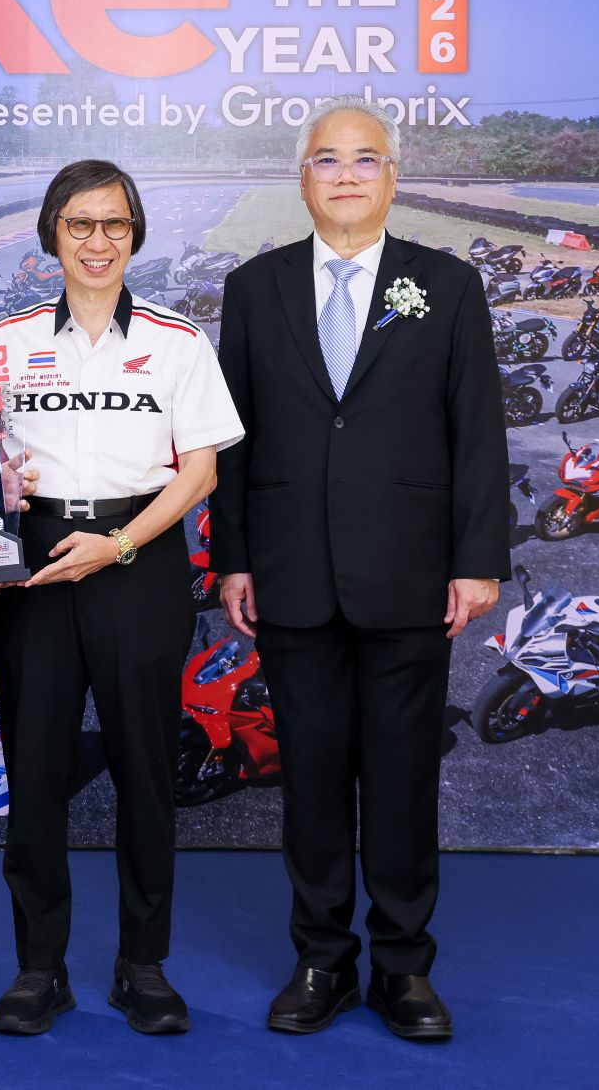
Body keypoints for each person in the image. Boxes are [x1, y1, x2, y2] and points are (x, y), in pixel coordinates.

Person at [212, 95, 509, 1042]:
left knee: (401, 779)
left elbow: (478, 432)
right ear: (301, 178)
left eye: (365, 158)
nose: (346, 175)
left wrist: (477, 559)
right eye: (328, 159)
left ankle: (403, 967)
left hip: (410, 576)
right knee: (309, 780)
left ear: (393, 176)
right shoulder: (253, 288)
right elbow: (232, 441)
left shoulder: (447, 285)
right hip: (291, 575)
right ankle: (321, 961)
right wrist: (234, 558)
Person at [0, 160, 243, 1038]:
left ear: (135, 234)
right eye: (79, 223)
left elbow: (201, 472)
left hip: (137, 556)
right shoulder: (4, 341)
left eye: (114, 224)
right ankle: (39, 968)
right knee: (36, 769)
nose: (97, 241)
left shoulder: (177, 340)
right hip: (37, 562)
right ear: (53, 232)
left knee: (147, 772)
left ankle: (141, 965)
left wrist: (118, 544)